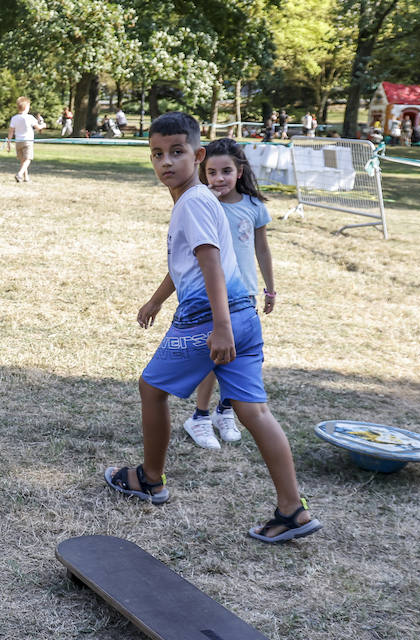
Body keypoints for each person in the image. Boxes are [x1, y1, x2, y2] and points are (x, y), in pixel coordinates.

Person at [103, 112, 319, 543]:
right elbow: (188, 264)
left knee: (151, 388)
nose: (166, 162)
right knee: (254, 411)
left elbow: (211, 265)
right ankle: (292, 510)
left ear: (198, 156)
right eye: (157, 154)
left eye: (177, 152)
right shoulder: (200, 201)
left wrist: (218, 327)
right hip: (244, 317)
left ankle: (150, 479)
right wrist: (158, 299)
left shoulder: (194, 203)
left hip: (210, 319)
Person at [182, 137, 276, 451]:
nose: (218, 178)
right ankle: (199, 415)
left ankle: (225, 412)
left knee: (237, 359)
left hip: (245, 297)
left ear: (239, 171)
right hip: (211, 296)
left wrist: (270, 288)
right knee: (213, 358)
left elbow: (262, 249)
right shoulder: (204, 206)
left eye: (225, 171)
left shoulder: (254, 207)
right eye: (211, 172)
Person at [5, 96, 44, 182]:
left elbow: (11, 132)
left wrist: (8, 143)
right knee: (28, 159)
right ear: (26, 107)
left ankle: (26, 177)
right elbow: (37, 127)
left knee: (23, 160)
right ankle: (19, 174)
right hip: (28, 141)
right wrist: (43, 125)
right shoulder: (30, 117)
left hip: (18, 141)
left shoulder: (14, 118)